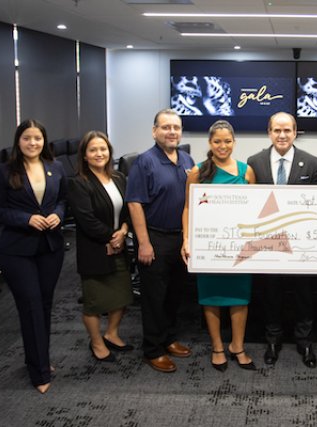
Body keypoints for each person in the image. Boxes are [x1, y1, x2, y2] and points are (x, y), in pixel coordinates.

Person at [0, 119, 67, 394]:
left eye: (38, 138)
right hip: (17, 250)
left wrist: (58, 214)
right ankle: (40, 373)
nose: (33, 143)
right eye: (27, 138)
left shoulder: (55, 168)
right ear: (18, 141)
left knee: (44, 306)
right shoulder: (5, 171)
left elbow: (62, 201)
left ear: (44, 141)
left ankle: (38, 358)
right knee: (31, 305)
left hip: (50, 248)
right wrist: (26, 219)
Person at [247, 112, 317, 368]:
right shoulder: (254, 162)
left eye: (287, 130)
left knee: (304, 293)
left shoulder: (312, 163)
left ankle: (304, 341)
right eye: (277, 130)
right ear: (269, 132)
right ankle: (273, 339)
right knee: (271, 292)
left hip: (301, 244)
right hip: (268, 243)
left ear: (295, 132)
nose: (282, 135)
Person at [182, 120, 257, 372]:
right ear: (210, 143)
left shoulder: (247, 171)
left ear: (234, 142)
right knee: (211, 297)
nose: (222, 146)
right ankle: (217, 347)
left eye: (227, 141)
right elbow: (188, 208)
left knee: (240, 298)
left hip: (239, 247)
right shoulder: (197, 171)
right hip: (209, 247)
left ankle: (238, 346)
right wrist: (187, 239)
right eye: (217, 141)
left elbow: (255, 208)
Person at [126, 108, 195, 373]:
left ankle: (169, 338)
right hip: (154, 237)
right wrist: (143, 242)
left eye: (176, 127)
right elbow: (134, 204)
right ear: (154, 131)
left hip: (180, 239)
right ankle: (153, 349)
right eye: (166, 127)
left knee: (174, 294)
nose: (172, 132)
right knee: (154, 297)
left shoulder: (187, 159)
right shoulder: (145, 162)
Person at [67, 131, 134, 363]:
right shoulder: (78, 183)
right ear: (84, 155)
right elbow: (86, 220)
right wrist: (111, 237)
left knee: (122, 295)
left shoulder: (118, 178)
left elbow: (127, 211)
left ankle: (112, 334)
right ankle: (96, 342)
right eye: (93, 150)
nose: (99, 154)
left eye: (103, 149)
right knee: (94, 301)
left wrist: (123, 232)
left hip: (119, 244)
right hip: (94, 249)